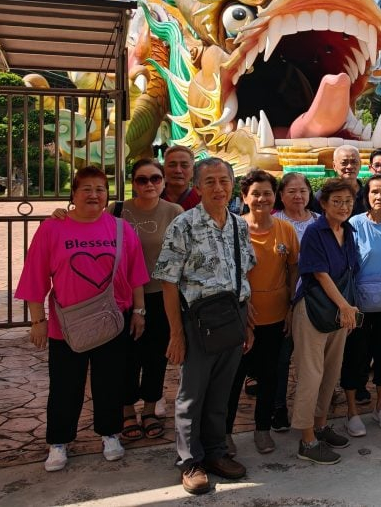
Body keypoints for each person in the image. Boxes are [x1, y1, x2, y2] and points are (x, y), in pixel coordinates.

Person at [16, 166, 149, 472]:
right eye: (86, 188)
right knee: (65, 385)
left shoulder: (120, 228)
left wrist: (139, 311)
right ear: (74, 194)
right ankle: (59, 441)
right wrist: (38, 321)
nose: (94, 194)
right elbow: (36, 275)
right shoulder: (53, 229)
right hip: (67, 325)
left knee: (110, 381)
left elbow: (136, 274)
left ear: (107, 195)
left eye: (100, 188)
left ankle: (110, 433)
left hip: (112, 320)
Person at [154, 158, 257, 495]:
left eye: (223, 180)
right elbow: (168, 283)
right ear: (197, 188)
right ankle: (190, 462)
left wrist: (248, 323)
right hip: (197, 322)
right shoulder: (183, 226)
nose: (218, 188)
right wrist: (176, 333)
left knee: (221, 394)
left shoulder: (239, 225)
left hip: (233, 318)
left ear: (232, 184)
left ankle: (215, 454)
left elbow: (244, 274)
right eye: (210, 181)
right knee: (191, 396)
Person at [225, 170, 299, 455]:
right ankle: (225, 433)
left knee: (270, 377)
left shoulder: (285, 230)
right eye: (255, 193)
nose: (261, 198)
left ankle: (262, 430)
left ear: (275, 196)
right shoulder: (233, 229)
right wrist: (242, 307)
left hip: (276, 318)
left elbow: (292, 268)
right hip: (241, 319)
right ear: (244, 197)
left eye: (267, 193)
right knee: (233, 379)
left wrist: (291, 307)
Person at [292, 178, 360, 466]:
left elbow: (350, 271)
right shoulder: (314, 232)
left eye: (348, 201)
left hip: (339, 311)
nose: (344, 207)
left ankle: (320, 425)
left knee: (331, 373)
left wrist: (348, 307)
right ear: (323, 204)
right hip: (314, 309)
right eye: (337, 201)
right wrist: (345, 306)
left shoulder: (348, 231)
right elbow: (319, 273)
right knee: (311, 375)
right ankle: (306, 439)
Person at [114, 160, 183, 440]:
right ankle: (127, 410)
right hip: (124, 296)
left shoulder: (174, 212)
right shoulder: (118, 211)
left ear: (163, 182)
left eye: (155, 178)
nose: (149, 185)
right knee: (127, 356)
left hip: (160, 294)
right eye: (142, 180)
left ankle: (151, 408)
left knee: (156, 356)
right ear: (133, 183)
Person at [340, 174, 381, 435]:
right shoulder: (353, 224)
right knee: (355, 356)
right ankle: (352, 411)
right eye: (374, 192)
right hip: (358, 304)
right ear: (366, 195)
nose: (379, 197)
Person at [270, 172, 320, 432]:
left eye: (303, 190)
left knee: (311, 359)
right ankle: (278, 407)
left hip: (316, 303)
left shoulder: (320, 222)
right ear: (281, 195)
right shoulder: (273, 222)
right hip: (284, 301)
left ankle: (312, 407)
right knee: (281, 357)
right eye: (291, 191)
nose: (298, 196)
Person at [317, 144, 366, 214]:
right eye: (344, 163)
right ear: (334, 166)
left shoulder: (368, 194)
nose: (349, 166)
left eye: (354, 162)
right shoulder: (324, 195)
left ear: (360, 165)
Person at [161, 145, 201, 210]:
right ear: (163, 169)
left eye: (184, 166)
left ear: (193, 171)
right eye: (172, 165)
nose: (178, 171)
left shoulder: (201, 199)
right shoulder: (153, 196)